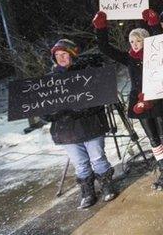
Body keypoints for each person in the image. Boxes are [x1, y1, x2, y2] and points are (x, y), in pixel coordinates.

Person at [92, 9, 163, 190]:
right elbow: (105, 48)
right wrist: (101, 28)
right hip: (139, 102)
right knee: (153, 139)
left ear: (146, 40)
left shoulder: (157, 53)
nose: (135, 44)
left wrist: (153, 23)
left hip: (158, 98)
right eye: (132, 41)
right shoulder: (128, 58)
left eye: (139, 40)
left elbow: (162, 41)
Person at [42, 39, 118, 209]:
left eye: (64, 54)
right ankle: (87, 192)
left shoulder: (87, 73)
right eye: (57, 55)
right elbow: (43, 112)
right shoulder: (48, 81)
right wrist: (54, 113)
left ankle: (107, 186)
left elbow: (101, 97)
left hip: (91, 125)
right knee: (81, 163)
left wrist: (82, 109)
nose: (61, 58)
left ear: (72, 55)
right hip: (66, 131)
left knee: (98, 158)